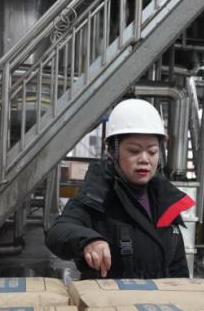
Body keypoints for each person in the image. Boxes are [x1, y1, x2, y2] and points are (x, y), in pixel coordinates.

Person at [45, 99, 194, 280]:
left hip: (159, 297)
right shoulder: (97, 196)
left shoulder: (166, 201)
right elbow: (58, 232)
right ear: (114, 152)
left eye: (152, 152)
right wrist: (88, 240)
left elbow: (178, 269)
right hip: (110, 297)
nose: (144, 159)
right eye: (134, 151)